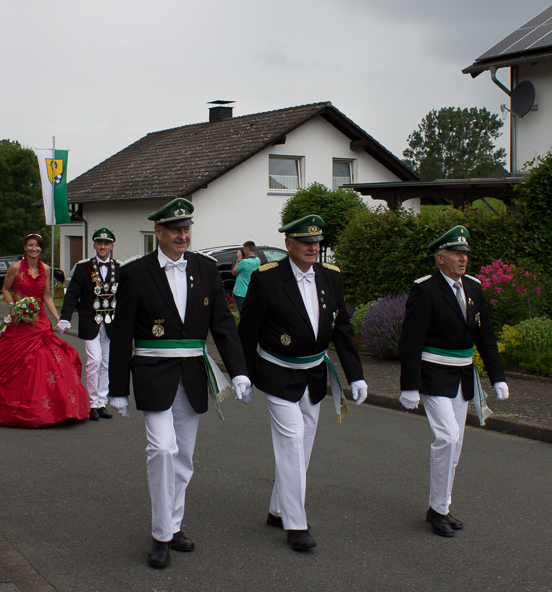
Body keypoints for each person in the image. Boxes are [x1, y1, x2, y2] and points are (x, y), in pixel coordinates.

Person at [108, 198, 252, 569]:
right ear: (158, 232)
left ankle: (172, 526)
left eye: (186, 229)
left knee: (184, 457)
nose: (182, 236)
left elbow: (222, 324)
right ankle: (160, 536)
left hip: (192, 374)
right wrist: (117, 388)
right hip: (153, 374)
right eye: (175, 230)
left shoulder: (205, 268)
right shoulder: (135, 272)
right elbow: (122, 333)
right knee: (162, 450)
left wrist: (238, 371)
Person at [238, 215, 368, 552]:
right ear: (289, 244)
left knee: (303, 445)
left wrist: (355, 375)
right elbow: (247, 331)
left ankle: (277, 509)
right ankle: (295, 524)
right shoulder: (267, 279)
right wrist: (243, 374)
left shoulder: (330, 277)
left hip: (313, 374)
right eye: (305, 242)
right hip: (277, 372)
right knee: (293, 440)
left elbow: (342, 329)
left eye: (316, 242)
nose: (313, 248)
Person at [398, 225, 508, 538]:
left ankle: (440, 507)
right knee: (447, 437)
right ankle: (438, 511)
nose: (463, 259)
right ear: (440, 258)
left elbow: (485, 336)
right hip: (433, 374)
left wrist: (497, 377)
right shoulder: (426, 290)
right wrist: (409, 385)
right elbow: (411, 341)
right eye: (456, 253)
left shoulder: (473, 288)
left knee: (455, 445)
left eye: (465, 254)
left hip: (462, 375)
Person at [0, 233, 89, 426]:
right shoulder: (16, 268)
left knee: (46, 361)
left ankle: (49, 407)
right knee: (11, 362)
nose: (34, 249)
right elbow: (5, 289)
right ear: (25, 247)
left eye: (37, 246)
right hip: (20, 322)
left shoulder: (45, 269)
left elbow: (46, 296)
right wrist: (14, 305)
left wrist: (58, 318)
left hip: (40, 322)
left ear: (40, 248)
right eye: (30, 245)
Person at [57, 227, 119, 420]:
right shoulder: (83, 267)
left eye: (106, 243)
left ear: (112, 246)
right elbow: (72, 294)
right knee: (94, 361)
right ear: (94, 245)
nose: (103, 246)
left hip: (111, 323)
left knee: (107, 363)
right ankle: (92, 403)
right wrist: (65, 317)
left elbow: (126, 296)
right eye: (99, 243)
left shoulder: (119, 268)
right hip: (89, 321)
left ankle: (101, 402)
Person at [230, 241, 260, 313]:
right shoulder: (257, 260)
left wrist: (239, 259)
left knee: (242, 312)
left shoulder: (244, 262)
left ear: (247, 249)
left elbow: (234, 272)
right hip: (251, 291)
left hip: (241, 292)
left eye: (244, 249)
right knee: (250, 312)